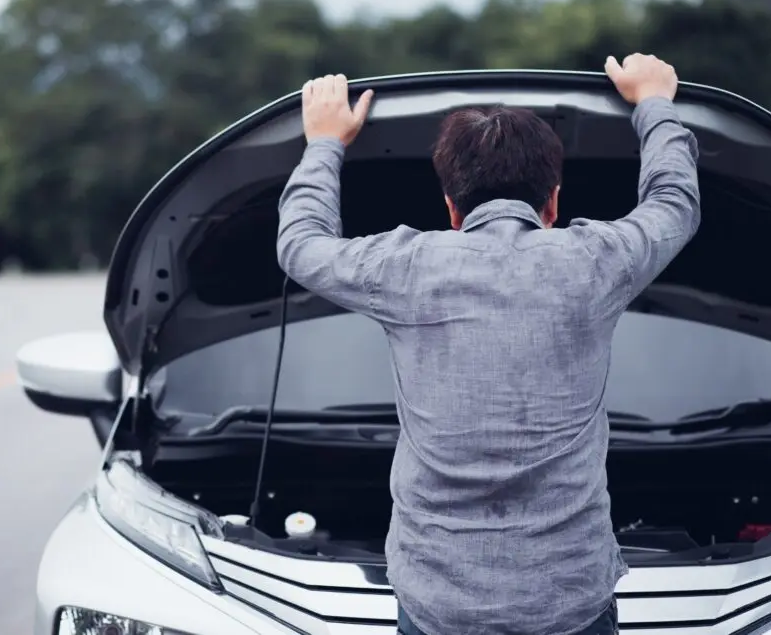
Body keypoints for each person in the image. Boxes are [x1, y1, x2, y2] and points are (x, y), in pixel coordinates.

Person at [275, 54, 700, 635]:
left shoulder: (402, 268)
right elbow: (674, 203)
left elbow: (300, 244)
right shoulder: (598, 263)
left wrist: (324, 142)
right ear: (552, 202)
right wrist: (654, 102)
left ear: (451, 209)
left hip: (437, 610)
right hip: (570, 608)